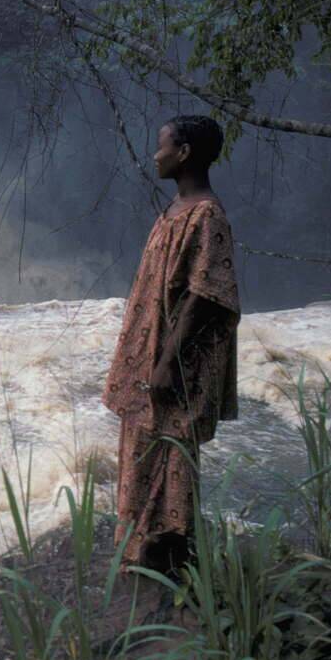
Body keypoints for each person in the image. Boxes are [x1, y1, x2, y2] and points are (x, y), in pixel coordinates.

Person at [102, 115, 241, 574]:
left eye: (161, 145)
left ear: (183, 153)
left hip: (173, 364)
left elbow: (206, 295)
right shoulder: (176, 210)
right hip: (149, 358)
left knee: (170, 456)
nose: (155, 154)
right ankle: (144, 556)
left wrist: (166, 363)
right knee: (144, 450)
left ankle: (171, 564)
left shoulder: (206, 216)